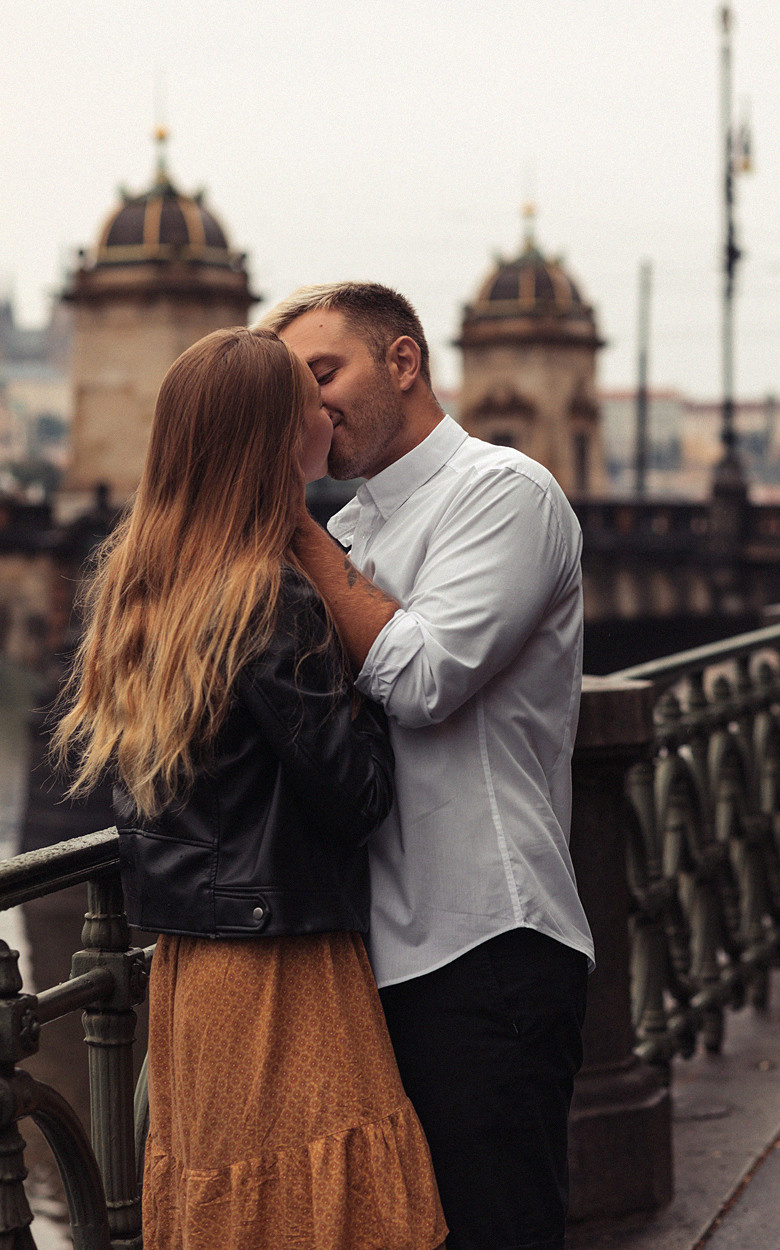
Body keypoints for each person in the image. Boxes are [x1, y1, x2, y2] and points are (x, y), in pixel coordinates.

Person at [51, 326, 447, 1250]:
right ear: (275, 433)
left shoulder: (144, 583)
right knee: (326, 1212)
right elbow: (354, 795)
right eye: (305, 394)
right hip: (284, 963)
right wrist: (376, 679)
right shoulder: (269, 595)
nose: (325, 408)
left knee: (233, 1208)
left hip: (193, 964)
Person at [260, 283, 595, 1250]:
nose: (311, 407)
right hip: (367, 957)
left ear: (402, 363)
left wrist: (291, 528)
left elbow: (418, 677)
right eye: (295, 389)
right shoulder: (353, 532)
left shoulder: (504, 492)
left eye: (327, 373)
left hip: (485, 943)